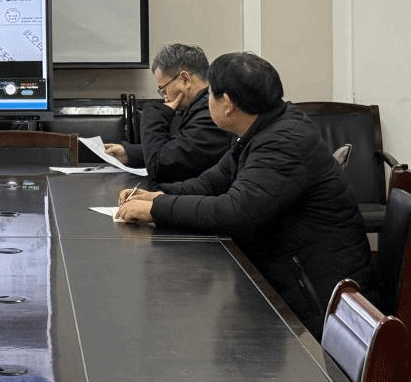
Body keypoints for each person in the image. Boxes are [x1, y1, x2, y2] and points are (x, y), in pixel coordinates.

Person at [116, 52, 370, 338]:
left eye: (210, 94)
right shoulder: (262, 128)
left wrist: (157, 209)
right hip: (287, 274)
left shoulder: (283, 142)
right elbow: (212, 182)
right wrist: (156, 196)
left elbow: (235, 211)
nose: (207, 100)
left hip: (318, 301)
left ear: (228, 104)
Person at [107, 44, 231, 182]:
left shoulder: (210, 117)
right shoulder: (195, 108)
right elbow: (174, 149)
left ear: (185, 79)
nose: (165, 98)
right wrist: (129, 153)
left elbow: (159, 167)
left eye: (164, 90)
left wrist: (157, 113)